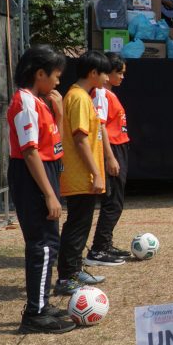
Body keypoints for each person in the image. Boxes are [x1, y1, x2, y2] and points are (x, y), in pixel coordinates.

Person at [7, 45, 75, 334]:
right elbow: (30, 151)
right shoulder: (24, 102)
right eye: (56, 75)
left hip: (44, 172)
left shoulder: (39, 102)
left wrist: (57, 112)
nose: (58, 82)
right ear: (39, 73)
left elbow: (51, 142)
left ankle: (42, 304)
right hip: (31, 176)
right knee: (43, 245)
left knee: (49, 242)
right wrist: (48, 193)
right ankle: (35, 313)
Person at [55, 51, 114, 296]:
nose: (108, 79)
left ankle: (75, 269)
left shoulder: (81, 96)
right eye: (104, 74)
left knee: (81, 223)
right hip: (80, 176)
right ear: (92, 73)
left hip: (83, 175)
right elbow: (80, 140)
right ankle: (66, 277)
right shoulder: (78, 98)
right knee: (77, 225)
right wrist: (96, 173)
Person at [88, 53, 131, 263]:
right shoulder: (101, 94)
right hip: (112, 148)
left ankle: (105, 244)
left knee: (116, 201)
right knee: (112, 202)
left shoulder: (109, 94)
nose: (122, 77)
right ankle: (98, 249)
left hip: (119, 146)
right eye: (119, 72)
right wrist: (109, 157)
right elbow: (100, 126)